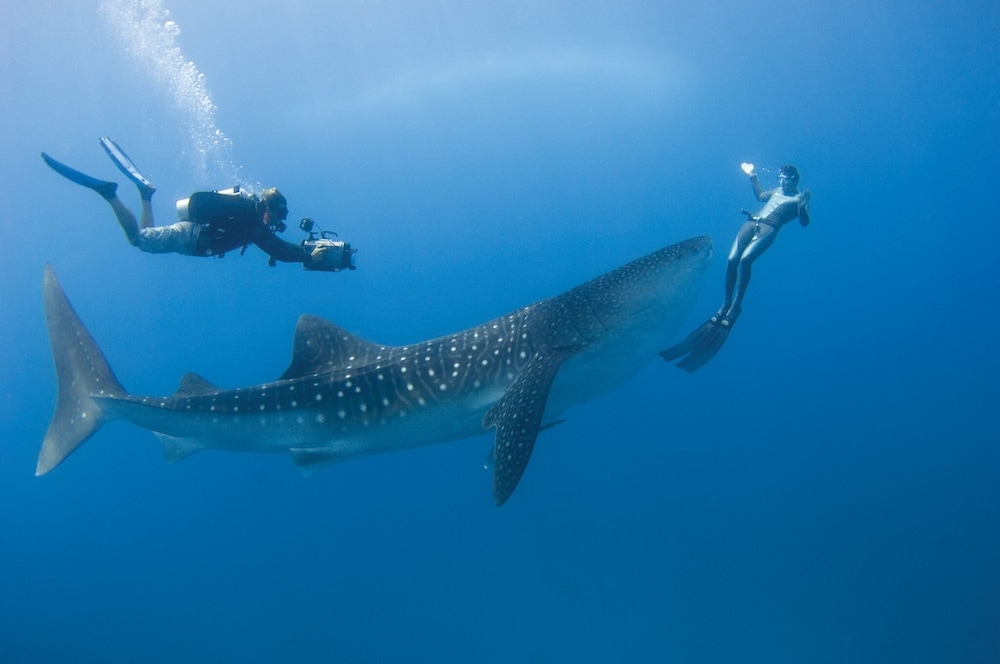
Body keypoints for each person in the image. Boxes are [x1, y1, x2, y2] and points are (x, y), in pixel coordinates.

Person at [41, 137, 329, 268]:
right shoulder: (255, 222)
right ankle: (109, 194)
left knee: (148, 240)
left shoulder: (249, 213)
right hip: (190, 239)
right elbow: (275, 247)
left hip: (191, 235)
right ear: (270, 208)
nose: (281, 220)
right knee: (137, 241)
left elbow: (274, 245)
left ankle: (145, 195)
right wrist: (307, 256)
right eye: (281, 214)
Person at [661, 163, 811, 372]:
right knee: (731, 260)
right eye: (780, 178)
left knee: (745, 260)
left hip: (770, 228)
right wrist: (753, 176)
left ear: (794, 179)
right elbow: (760, 196)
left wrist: (803, 207)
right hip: (751, 223)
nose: (781, 181)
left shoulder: (797, 199)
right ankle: (725, 304)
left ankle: (736, 306)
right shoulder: (776, 191)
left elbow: (804, 223)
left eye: (785, 178)